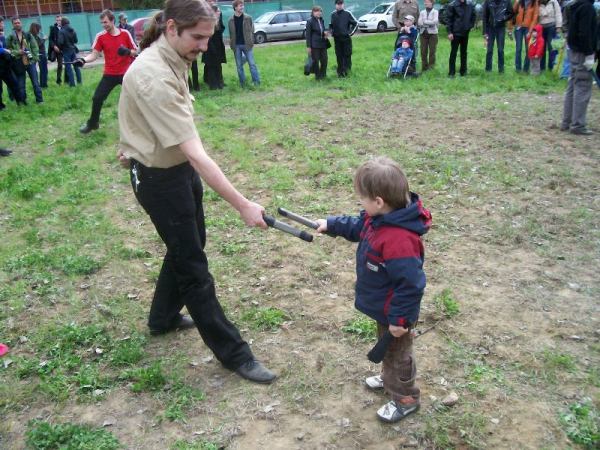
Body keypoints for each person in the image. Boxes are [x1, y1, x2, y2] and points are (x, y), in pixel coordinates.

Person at [117, 0, 276, 384]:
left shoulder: (174, 55)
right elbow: (198, 155)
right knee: (192, 268)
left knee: (189, 244)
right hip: (160, 181)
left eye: (209, 37)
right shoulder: (154, 76)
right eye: (198, 37)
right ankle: (235, 354)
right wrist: (243, 205)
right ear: (171, 28)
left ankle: (162, 317)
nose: (205, 46)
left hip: (177, 170)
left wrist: (130, 140)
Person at [314, 157, 431, 423]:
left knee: (399, 354)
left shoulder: (399, 239)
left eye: (362, 198)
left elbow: (411, 285)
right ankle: (389, 377)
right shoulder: (378, 219)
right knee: (389, 348)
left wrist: (400, 319)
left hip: (397, 313)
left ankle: (405, 398)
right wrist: (331, 224)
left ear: (378, 201)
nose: (360, 203)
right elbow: (358, 226)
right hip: (385, 306)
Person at [76, 9, 138, 134]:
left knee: (137, 97)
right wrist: (83, 60)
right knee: (97, 98)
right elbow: (94, 55)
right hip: (110, 73)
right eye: (102, 23)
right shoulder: (101, 36)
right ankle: (93, 123)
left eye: (105, 22)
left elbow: (135, 51)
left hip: (126, 73)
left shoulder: (125, 33)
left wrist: (127, 52)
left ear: (112, 20)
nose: (103, 25)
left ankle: (144, 123)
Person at [561, 0, 597, 134]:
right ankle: (578, 125)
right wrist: (589, 54)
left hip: (573, 51)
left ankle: (567, 121)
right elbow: (584, 33)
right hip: (582, 53)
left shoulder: (574, 6)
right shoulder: (587, 8)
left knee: (572, 86)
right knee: (582, 87)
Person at [7, 17, 43, 104]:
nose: (17, 24)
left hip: (30, 62)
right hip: (18, 63)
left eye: (18, 22)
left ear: (21, 23)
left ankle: (40, 100)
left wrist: (35, 59)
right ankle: (23, 102)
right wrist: (18, 52)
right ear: (12, 25)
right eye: (15, 23)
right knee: (21, 85)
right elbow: (8, 50)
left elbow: (35, 47)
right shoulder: (10, 37)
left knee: (35, 83)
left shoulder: (27, 34)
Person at [228, 0, 260, 87]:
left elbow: (252, 30)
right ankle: (243, 83)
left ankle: (256, 82)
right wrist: (232, 44)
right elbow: (231, 34)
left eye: (242, 5)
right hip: (236, 46)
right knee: (239, 66)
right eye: (240, 6)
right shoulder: (230, 20)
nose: (242, 7)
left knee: (252, 64)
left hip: (247, 44)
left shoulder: (248, 18)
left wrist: (251, 41)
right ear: (235, 7)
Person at [445, 0, 476, 76]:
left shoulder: (470, 5)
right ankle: (451, 72)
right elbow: (448, 19)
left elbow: (473, 16)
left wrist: (470, 26)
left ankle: (463, 71)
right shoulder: (452, 5)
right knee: (453, 53)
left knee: (464, 52)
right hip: (455, 33)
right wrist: (449, 32)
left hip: (465, 32)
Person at [483, 0, 514, 72]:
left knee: (500, 50)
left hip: (501, 28)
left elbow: (511, 13)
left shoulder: (507, 1)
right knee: (489, 50)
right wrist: (485, 32)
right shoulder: (488, 1)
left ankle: (501, 69)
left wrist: (504, 18)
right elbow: (485, 17)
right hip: (490, 28)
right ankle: (488, 69)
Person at [329, 0, 357, 77]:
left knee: (347, 55)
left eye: (341, 4)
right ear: (335, 5)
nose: (340, 5)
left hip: (346, 39)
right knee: (339, 55)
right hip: (337, 40)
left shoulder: (347, 13)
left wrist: (350, 33)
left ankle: (347, 72)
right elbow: (331, 25)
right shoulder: (333, 14)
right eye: (338, 4)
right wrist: (331, 32)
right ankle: (340, 72)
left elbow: (356, 23)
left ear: (343, 5)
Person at [202, 4, 226, 89]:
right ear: (214, 12)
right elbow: (208, 36)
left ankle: (220, 82)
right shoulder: (208, 22)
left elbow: (221, 29)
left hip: (218, 45)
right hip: (210, 46)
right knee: (211, 66)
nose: (220, 12)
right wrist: (212, 48)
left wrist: (218, 21)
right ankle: (213, 84)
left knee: (218, 65)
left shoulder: (218, 21)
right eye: (218, 11)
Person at [511, 0, 540, 72]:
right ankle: (518, 69)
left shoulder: (535, 2)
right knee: (518, 48)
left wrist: (530, 31)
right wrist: (516, 2)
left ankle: (526, 69)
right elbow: (512, 12)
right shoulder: (519, 1)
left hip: (528, 28)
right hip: (518, 27)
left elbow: (535, 17)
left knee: (528, 49)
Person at [1, 16, 22, 109]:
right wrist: (4, 50)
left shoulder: (3, 36)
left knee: (14, 84)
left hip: (5, 65)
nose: (3, 25)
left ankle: (20, 102)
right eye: (1, 23)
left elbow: (7, 47)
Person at [306, 6, 330, 80]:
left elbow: (322, 30)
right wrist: (308, 47)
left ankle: (323, 75)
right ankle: (318, 76)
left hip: (323, 43)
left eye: (320, 11)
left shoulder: (321, 20)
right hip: (314, 45)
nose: (319, 13)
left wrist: (325, 33)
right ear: (313, 12)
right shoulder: (310, 21)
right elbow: (308, 35)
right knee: (316, 61)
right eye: (317, 11)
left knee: (324, 59)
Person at [538, 0, 562, 70]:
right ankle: (541, 67)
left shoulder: (554, 2)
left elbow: (558, 14)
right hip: (541, 27)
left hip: (552, 27)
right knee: (541, 47)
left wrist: (558, 26)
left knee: (551, 47)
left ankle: (551, 67)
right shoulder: (538, 2)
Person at [58, 17, 81, 87]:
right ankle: (79, 82)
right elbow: (76, 41)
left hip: (66, 50)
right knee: (76, 66)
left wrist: (60, 48)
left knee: (68, 67)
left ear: (62, 23)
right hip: (73, 49)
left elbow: (60, 42)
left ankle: (72, 84)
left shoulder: (61, 31)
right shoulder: (72, 30)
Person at [418, 0, 439, 71]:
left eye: (427, 2)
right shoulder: (422, 12)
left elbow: (434, 22)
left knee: (432, 51)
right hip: (423, 34)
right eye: (425, 2)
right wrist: (428, 23)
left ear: (431, 3)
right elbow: (419, 22)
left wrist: (424, 22)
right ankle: (424, 67)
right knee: (423, 51)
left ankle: (431, 67)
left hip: (433, 34)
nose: (425, 3)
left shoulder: (435, 12)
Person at [48, 15, 66, 85]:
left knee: (67, 65)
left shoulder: (65, 27)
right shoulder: (53, 28)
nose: (59, 21)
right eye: (57, 20)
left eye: (60, 20)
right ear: (56, 21)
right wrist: (54, 46)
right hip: (57, 50)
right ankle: (59, 81)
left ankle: (67, 80)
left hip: (65, 49)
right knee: (60, 65)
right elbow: (50, 39)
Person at [29, 22, 48, 88]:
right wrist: (44, 39)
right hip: (40, 53)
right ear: (36, 28)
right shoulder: (33, 36)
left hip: (36, 54)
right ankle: (43, 85)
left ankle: (38, 85)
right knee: (43, 70)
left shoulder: (31, 35)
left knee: (35, 70)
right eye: (38, 28)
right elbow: (37, 44)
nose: (39, 30)